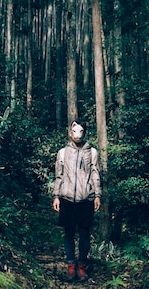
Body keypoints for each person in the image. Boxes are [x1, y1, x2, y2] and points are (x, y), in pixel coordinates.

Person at [52, 120, 102, 281]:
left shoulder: (92, 152)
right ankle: (70, 266)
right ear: (70, 133)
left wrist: (97, 195)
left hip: (86, 199)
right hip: (66, 198)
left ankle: (82, 266)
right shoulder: (62, 153)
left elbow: (95, 174)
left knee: (84, 233)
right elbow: (58, 176)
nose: (77, 135)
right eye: (75, 132)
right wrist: (56, 196)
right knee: (69, 233)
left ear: (85, 133)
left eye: (81, 132)